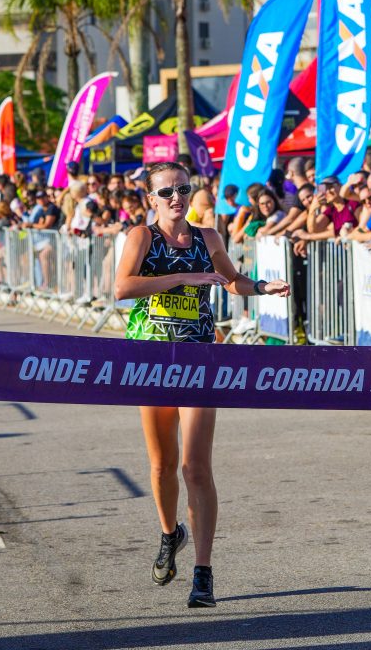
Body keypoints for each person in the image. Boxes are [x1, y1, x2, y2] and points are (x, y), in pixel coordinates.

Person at [114, 161, 290, 609]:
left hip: (197, 362)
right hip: (150, 362)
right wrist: (182, 277)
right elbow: (123, 287)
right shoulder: (142, 237)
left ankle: (204, 573)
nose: (177, 198)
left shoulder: (208, 238)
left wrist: (262, 287)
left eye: (183, 189)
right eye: (167, 192)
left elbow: (232, 282)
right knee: (161, 465)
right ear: (151, 199)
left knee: (196, 467)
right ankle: (171, 534)